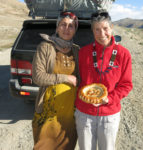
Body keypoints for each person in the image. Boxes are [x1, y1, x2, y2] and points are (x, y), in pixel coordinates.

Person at [75, 10, 133, 150]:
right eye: (97, 29)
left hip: (109, 114)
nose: (102, 34)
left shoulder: (123, 54)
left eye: (105, 28)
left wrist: (110, 98)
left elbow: (126, 85)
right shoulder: (83, 52)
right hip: (85, 113)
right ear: (92, 31)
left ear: (111, 28)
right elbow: (77, 79)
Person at [32, 11, 80, 150]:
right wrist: (66, 78)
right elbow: (38, 77)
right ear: (57, 27)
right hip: (48, 109)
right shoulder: (45, 47)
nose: (66, 29)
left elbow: (82, 78)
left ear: (75, 30)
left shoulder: (76, 50)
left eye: (71, 26)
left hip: (70, 112)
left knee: (67, 145)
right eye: (63, 24)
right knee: (44, 145)